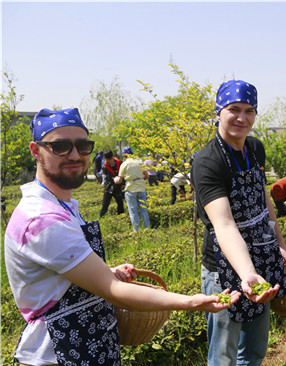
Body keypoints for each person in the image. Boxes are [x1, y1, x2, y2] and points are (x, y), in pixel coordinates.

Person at [4, 108, 240, 366]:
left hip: (86, 345)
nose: (74, 155)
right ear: (36, 151)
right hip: (58, 353)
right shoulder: (42, 219)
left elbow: (62, 277)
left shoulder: (61, 206)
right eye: (60, 146)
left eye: (83, 146)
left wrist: (107, 271)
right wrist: (192, 301)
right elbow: (113, 291)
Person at [191, 80, 286, 366]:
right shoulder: (208, 162)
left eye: (249, 111)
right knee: (224, 352)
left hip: (261, 255)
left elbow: (264, 201)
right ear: (218, 112)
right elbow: (223, 225)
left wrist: (280, 244)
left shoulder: (255, 148)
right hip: (224, 266)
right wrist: (247, 273)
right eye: (233, 109)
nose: (242, 118)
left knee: (255, 346)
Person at [118, 146, 150, 231]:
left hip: (130, 189)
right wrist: (139, 180)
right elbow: (147, 176)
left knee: (133, 211)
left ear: (124, 155)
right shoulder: (140, 162)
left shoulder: (124, 164)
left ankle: (137, 231)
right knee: (143, 210)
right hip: (141, 188)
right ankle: (147, 228)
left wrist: (115, 180)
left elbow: (119, 180)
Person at [99, 149, 125, 218]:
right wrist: (115, 179)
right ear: (104, 158)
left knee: (120, 204)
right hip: (109, 186)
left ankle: (121, 218)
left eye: (111, 158)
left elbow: (123, 175)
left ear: (113, 156)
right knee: (105, 204)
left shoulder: (120, 163)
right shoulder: (104, 166)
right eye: (108, 159)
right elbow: (110, 177)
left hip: (118, 186)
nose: (110, 161)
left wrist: (123, 184)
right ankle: (101, 218)